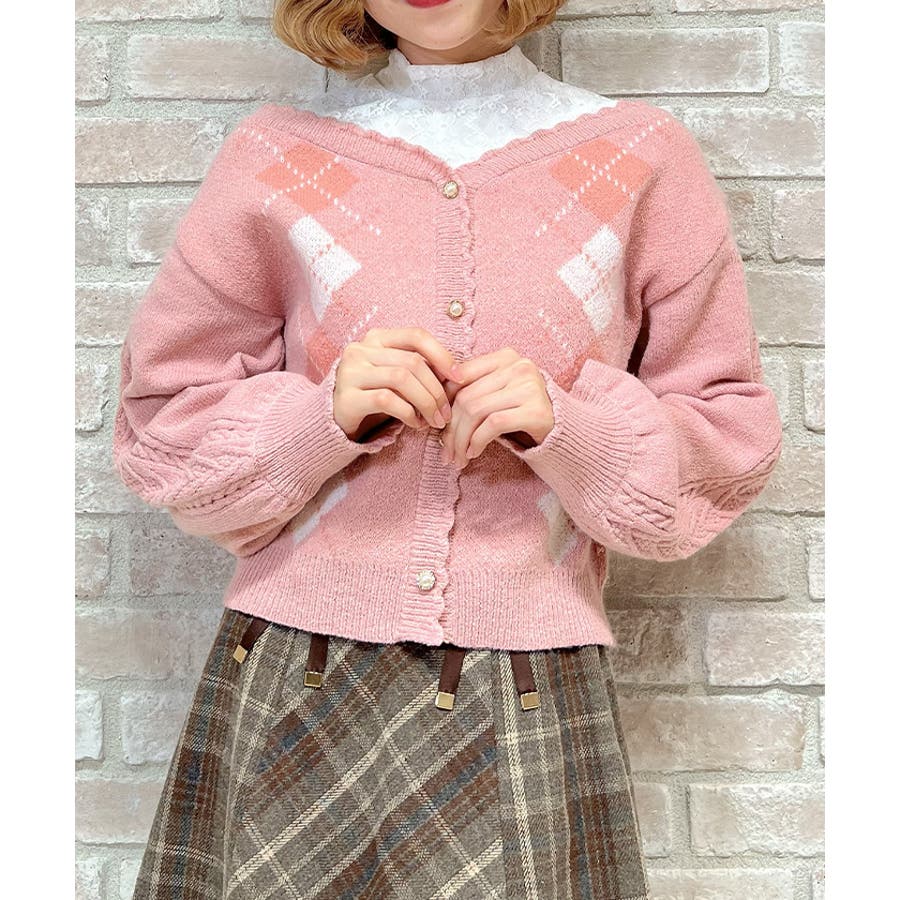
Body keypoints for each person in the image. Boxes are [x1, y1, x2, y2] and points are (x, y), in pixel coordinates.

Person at [113, 1, 783, 898]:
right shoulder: (273, 157)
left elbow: (727, 431)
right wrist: (319, 420)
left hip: (528, 681)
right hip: (292, 677)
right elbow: (163, 421)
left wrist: (570, 431)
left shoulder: (642, 160)